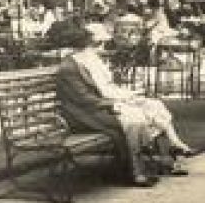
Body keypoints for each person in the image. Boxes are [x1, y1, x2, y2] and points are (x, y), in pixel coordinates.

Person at [55, 24, 193, 186]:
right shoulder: (70, 68)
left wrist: (121, 99)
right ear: (82, 44)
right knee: (134, 121)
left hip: (99, 108)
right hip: (85, 115)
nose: (98, 47)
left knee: (147, 109)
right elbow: (83, 100)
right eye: (94, 44)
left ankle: (158, 158)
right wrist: (114, 103)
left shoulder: (86, 60)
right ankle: (136, 170)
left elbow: (105, 86)